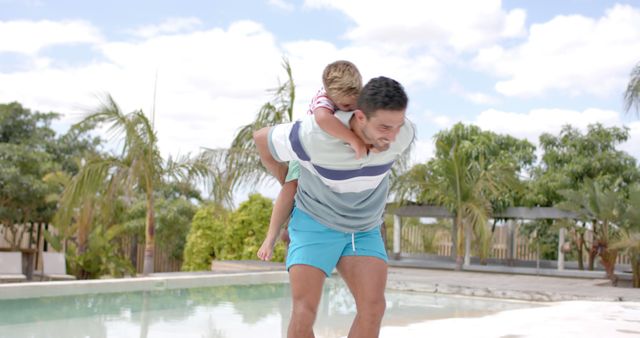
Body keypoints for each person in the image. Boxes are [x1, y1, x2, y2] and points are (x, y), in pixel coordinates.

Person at [253, 76, 415, 337]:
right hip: (315, 222)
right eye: (385, 127)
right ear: (360, 117)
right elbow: (261, 139)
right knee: (304, 313)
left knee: (373, 308)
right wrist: (283, 176)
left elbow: (395, 130)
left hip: (363, 228)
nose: (393, 136)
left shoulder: (404, 134)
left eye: (398, 125)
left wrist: (389, 130)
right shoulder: (313, 137)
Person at [257, 60, 365, 261]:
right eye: (346, 105)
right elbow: (323, 119)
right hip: (309, 150)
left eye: (354, 101)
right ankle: (271, 237)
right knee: (291, 186)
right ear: (330, 95)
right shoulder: (323, 98)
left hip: (334, 156)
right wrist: (353, 140)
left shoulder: (359, 94)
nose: (352, 106)